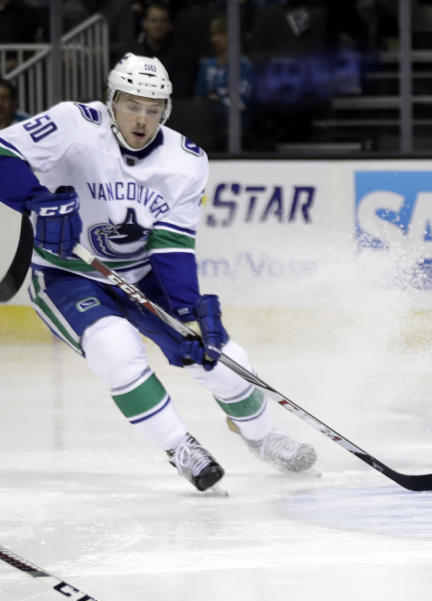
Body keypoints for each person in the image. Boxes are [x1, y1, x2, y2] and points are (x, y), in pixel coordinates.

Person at [0, 53, 317, 492]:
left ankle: (263, 437)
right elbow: (3, 152)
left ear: (165, 111)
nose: (142, 119)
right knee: (115, 348)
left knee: (223, 359)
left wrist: (187, 308)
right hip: (66, 274)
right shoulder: (74, 123)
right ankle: (180, 447)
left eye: (153, 110)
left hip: (143, 274)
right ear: (111, 101)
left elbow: (172, 244)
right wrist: (35, 198)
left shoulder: (186, 160)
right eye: (132, 105)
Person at [194, 15, 255, 144]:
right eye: (213, 34)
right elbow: (199, 99)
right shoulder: (206, 65)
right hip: (207, 127)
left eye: (220, 34)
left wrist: (216, 101)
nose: (215, 39)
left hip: (237, 131)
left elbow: (241, 102)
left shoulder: (244, 65)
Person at [129, 2, 197, 92]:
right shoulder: (132, 55)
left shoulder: (182, 57)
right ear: (145, 24)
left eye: (163, 21)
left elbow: (180, 92)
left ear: (170, 25)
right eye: (154, 20)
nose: (158, 25)